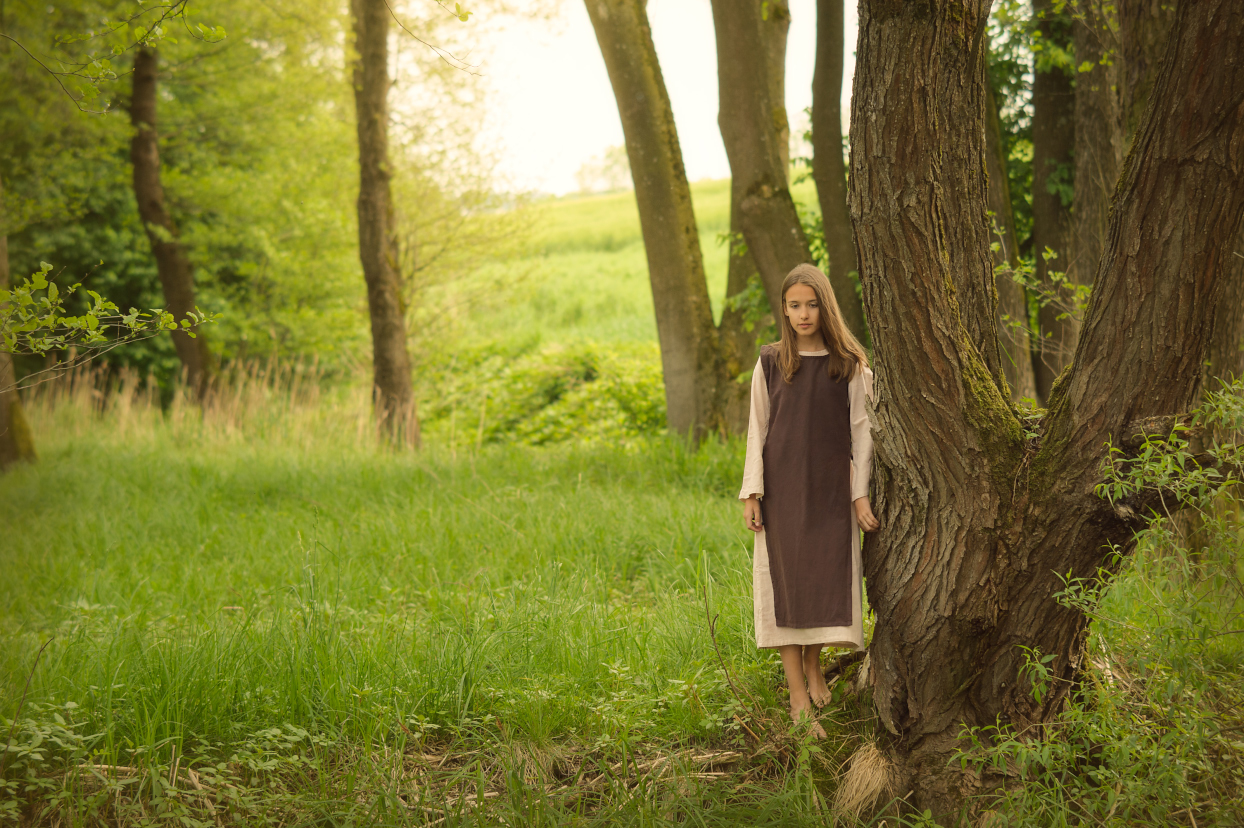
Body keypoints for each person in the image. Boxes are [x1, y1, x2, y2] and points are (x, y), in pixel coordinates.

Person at [738, 263, 879, 737]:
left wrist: (859, 497)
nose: (803, 314)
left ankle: (816, 664)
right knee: (787, 584)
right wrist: (751, 491)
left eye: (811, 304)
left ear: (826, 306)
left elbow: (862, 433)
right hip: (782, 490)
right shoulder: (772, 361)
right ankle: (797, 694)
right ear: (783, 308)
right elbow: (757, 428)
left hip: (830, 490)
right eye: (794, 305)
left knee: (822, 581)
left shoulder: (849, 365)